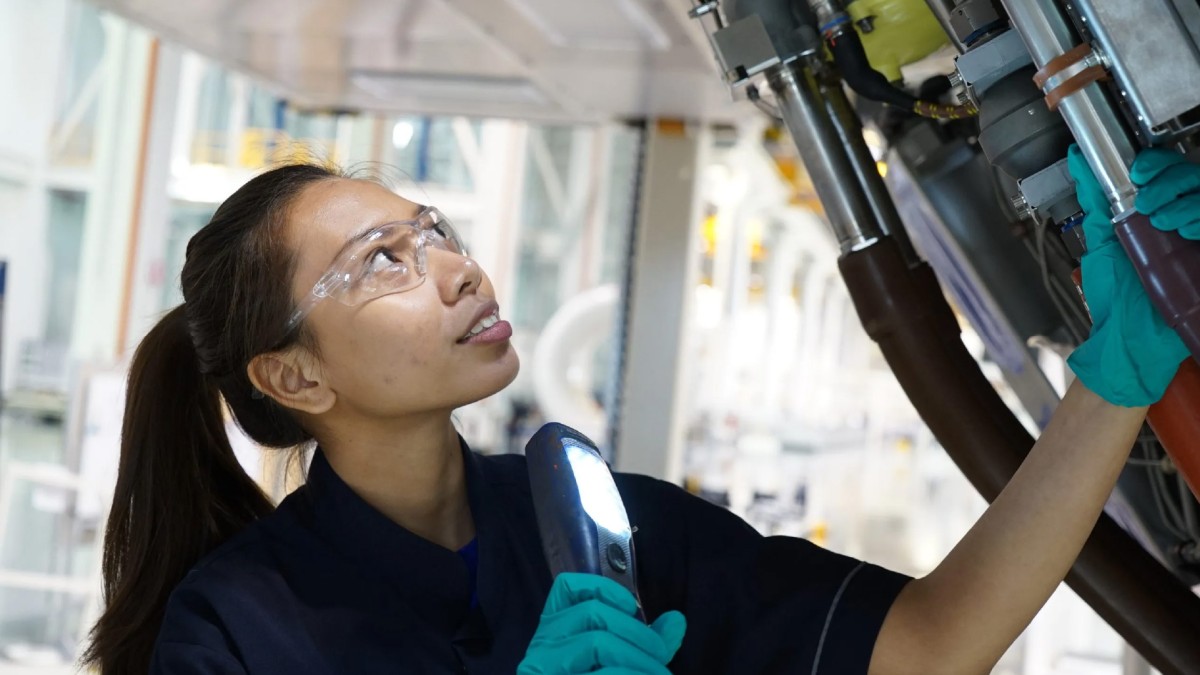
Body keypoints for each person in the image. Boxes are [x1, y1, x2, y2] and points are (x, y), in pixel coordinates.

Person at [79, 144, 1199, 675]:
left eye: (437, 231)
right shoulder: (235, 633)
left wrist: (1111, 381)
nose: (459, 270)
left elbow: (928, 644)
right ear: (295, 378)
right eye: (384, 259)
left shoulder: (603, 532)